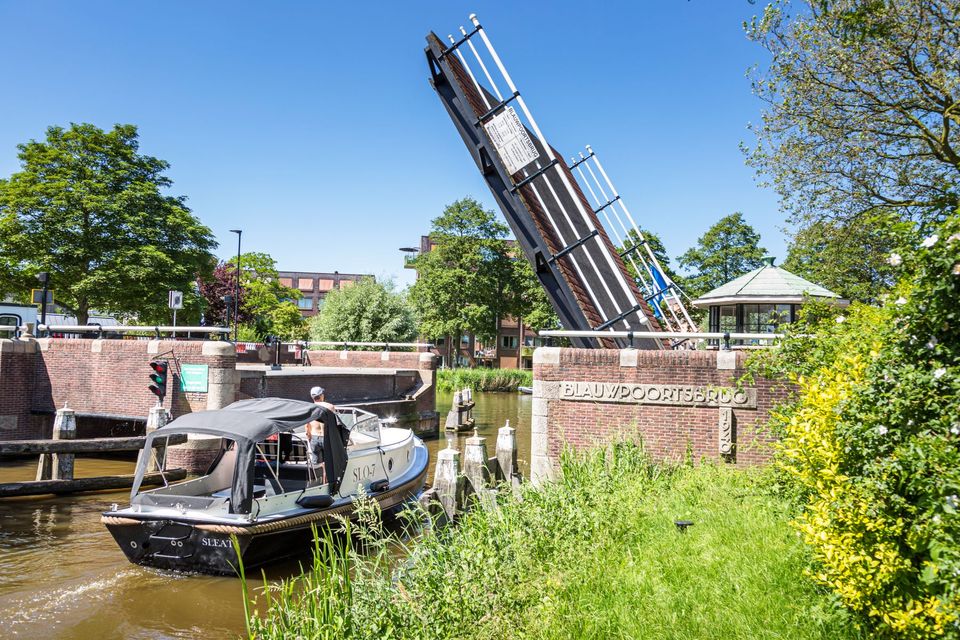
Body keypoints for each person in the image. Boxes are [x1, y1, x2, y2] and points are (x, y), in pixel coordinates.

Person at [306, 386, 335, 466]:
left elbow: (307, 425)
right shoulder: (330, 407)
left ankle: (316, 477)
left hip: (314, 437)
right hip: (326, 437)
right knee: (329, 462)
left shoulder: (309, 408)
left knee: (315, 463)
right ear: (322, 395)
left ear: (312, 397)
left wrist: (309, 436)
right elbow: (334, 424)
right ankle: (328, 478)